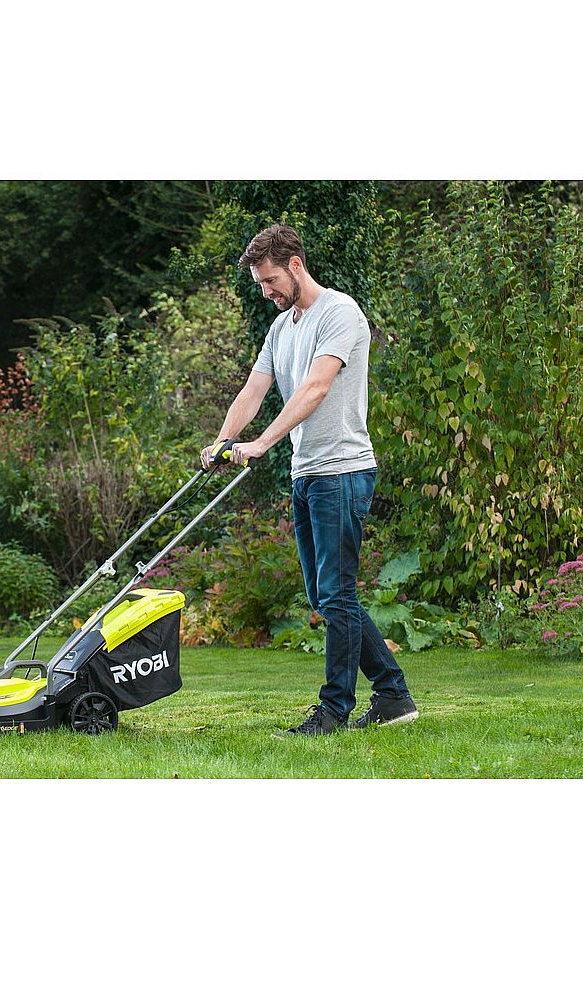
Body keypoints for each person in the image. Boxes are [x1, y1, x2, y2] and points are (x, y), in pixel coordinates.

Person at [201, 224, 418, 735]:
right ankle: (393, 695)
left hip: (341, 471)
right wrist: (223, 440)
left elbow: (316, 387)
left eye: (271, 280)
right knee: (327, 597)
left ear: (295, 265)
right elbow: (254, 390)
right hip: (308, 473)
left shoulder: (340, 313)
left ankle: (333, 712)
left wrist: (261, 443)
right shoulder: (282, 328)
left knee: (337, 596)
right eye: (260, 283)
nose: (266, 291)